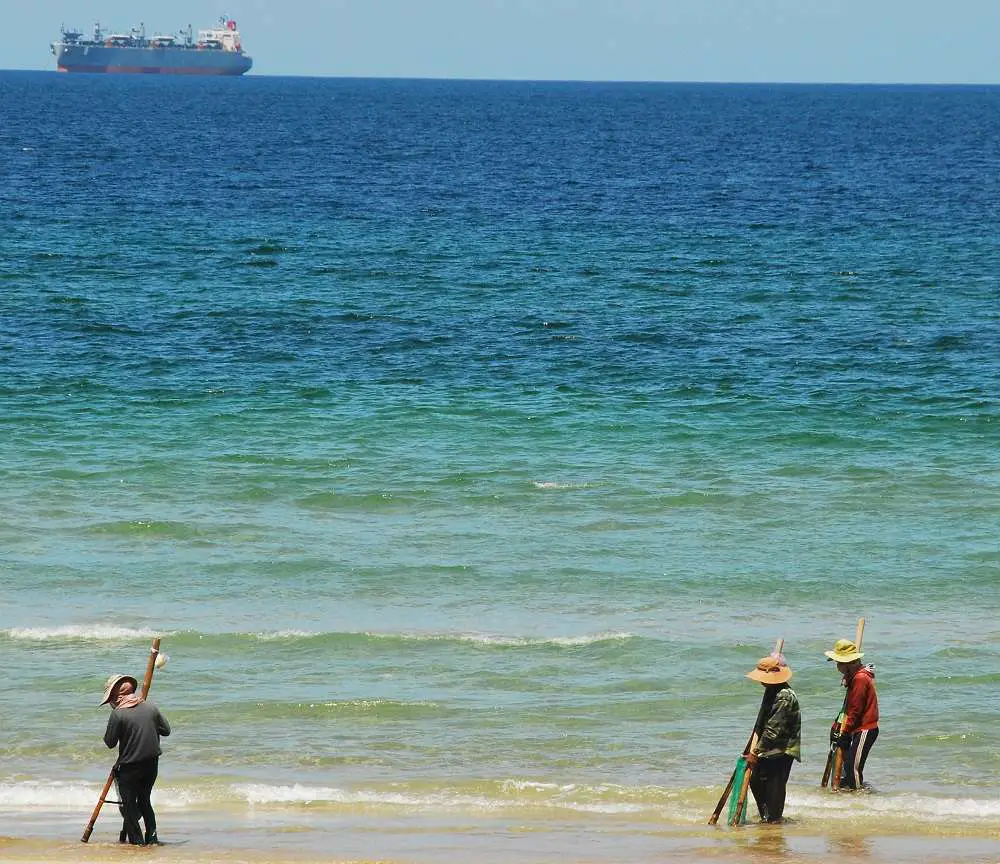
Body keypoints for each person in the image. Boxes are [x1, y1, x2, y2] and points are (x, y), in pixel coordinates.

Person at [101, 673, 171, 845]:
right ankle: (152, 837)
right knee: (145, 800)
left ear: (117, 696)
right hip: (152, 764)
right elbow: (166, 730)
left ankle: (137, 843)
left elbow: (110, 742)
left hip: (129, 767)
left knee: (129, 804)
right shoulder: (151, 707)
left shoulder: (118, 714)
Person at [743, 654, 801, 824]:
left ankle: (773, 821)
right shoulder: (772, 691)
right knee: (756, 781)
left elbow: (772, 732)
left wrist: (755, 752)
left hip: (781, 749)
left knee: (774, 788)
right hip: (770, 748)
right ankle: (767, 818)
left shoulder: (783, 696)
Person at [825, 638, 879, 790]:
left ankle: (858, 796)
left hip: (865, 729)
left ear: (847, 664)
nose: (837, 666)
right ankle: (855, 790)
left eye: (839, 663)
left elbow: (855, 710)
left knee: (852, 767)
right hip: (857, 728)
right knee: (849, 764)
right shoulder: (855, 677)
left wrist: (845, 733)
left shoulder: (860, 679)